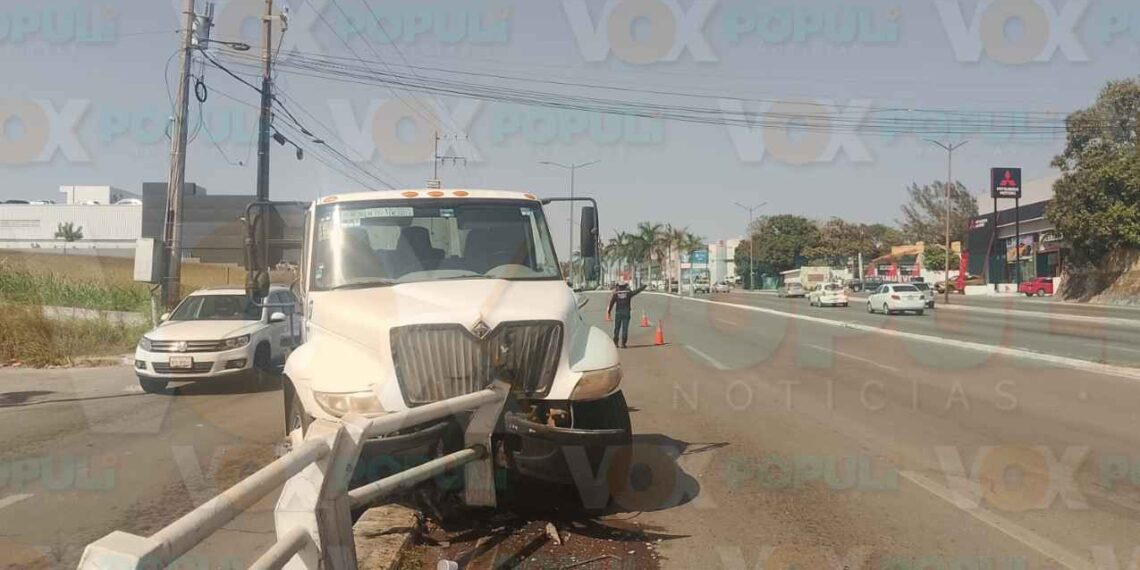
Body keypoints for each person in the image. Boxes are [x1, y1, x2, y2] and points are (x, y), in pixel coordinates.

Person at [606, 281, 647, 348]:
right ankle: (623, 343)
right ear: (625, 286)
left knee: (617, 328)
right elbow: (636, 291)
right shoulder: (628, 293)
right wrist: (643, 286)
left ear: (619, 286)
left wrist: (609, 312)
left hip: (618, 312)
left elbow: (611, 303)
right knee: (625, 328)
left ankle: (615, 342)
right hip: (626, 312)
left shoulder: (616, 293)